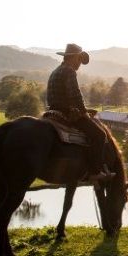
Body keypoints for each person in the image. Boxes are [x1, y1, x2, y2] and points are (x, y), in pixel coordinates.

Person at [47, 43, 114, 182]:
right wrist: (84, 113)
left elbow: (59, 98)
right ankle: (95, 171)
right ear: (74, 58)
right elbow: (75, 96)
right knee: (100, 135)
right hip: (66, 114)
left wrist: (84, 109)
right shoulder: (69, 71)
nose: (79, 64)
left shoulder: (56, 71)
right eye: (79, 60)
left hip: (53, 112)